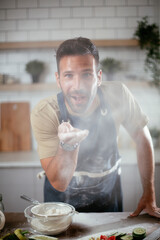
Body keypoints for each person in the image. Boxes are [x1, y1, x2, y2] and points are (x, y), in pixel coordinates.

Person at [31, 37, 160, 217]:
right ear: (58, 79)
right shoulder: (45, 112)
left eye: (86, 74)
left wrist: (149, 193)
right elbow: (59, 183)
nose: (78, 86)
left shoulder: (118, 95)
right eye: (68, 75)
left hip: (109, 203)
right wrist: (68, 145)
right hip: (60, 212)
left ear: (98, 77)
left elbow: (142, 137)